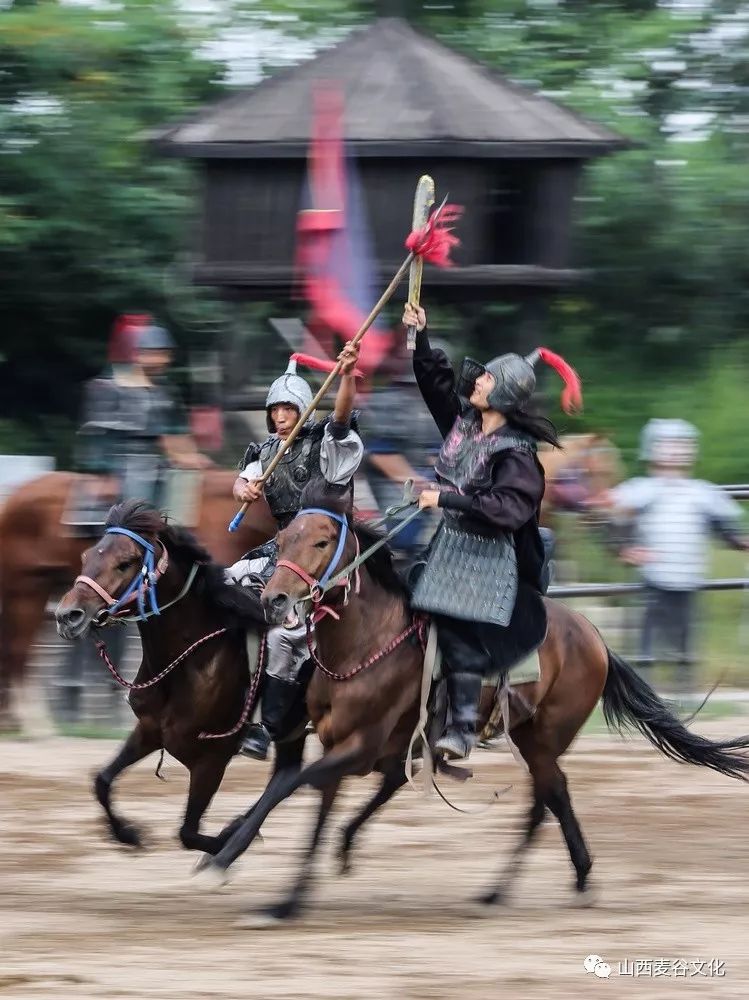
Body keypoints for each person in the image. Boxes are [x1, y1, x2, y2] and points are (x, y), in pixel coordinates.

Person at [405, 302, 581, 761]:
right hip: (451, 546)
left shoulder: (518, 454)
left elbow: (505, 511)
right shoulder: (465, 425)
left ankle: (462, 725)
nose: (476, 381)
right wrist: (421, 337)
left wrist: (444, 498)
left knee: (458, 619)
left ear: (502, 394)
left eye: (486, 379)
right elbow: (437, 387)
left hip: (494, 558)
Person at [229, 341, 363, 760]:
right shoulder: (265, 451)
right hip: (283, 546)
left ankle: (268, 727)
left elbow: (340, 417)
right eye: (275, 410)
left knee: (286, 633)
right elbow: (243, 481)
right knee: (225, 585)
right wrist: (244, 488)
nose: (280, 416)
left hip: (321, 549)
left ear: (303, 409)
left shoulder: (326, 442)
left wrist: (345, 378)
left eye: (288, 408)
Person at [601, 419, 748, 692]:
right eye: (670, 444)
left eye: (683, 444)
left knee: (685, 648)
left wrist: (742, 542)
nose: (677, 451)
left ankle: (685, 696)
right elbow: (612, 522)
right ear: (653, 448)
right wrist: (624, 548)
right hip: (654, 582)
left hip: (688, 581)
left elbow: (724, 529)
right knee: (646, 651)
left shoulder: (701, 492)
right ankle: (642, 696)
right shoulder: (642, 489)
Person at [361, 351, 444, 555]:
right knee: (403, 538)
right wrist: (421, 484)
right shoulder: (388, 404)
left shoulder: (432, 407)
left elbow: (438, 453)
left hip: (424, 494)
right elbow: (383, 456)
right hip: (396, 492)